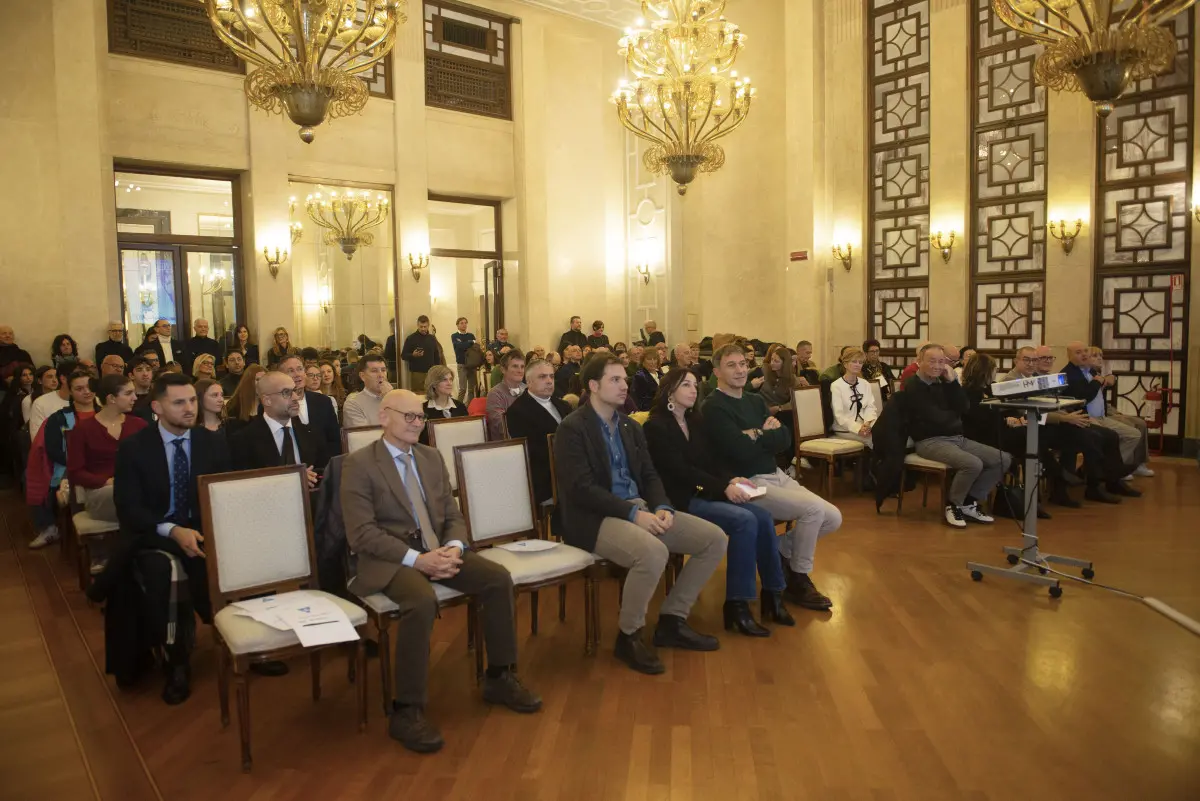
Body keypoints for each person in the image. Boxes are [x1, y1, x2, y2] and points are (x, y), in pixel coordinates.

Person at [341, 389, 541, 753]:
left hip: (439, 549)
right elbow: (361, 533)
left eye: (421, 417)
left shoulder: (431, 457)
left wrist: (454, 547)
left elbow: (452, 514)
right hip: (391, 559)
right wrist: (417, 560)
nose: (418, 424)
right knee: (419, 600)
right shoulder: (359, 464)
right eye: (409, 416)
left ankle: (499, 675)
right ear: (384, 417)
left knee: (497, 578)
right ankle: (407, 709)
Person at [554, 354, 725, 674]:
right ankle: (629, 635)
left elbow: (649, 475)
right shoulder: (572, 428)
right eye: (615, 380)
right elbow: (582, 489)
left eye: (625, 379)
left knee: (713, 539)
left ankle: (673, 620)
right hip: (594, 518)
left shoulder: (632, 427)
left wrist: (661, 506)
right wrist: (633, 515)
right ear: (593, 385)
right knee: (652, 552)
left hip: (640, 508)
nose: (624, 385)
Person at [95, 374, 231, 703]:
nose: (189, 409)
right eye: (179, 402)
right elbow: (128, 508)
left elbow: (225, 492)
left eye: (193, 401)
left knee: (238, 559)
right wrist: (172, 529)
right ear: (157, 407)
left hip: (202, 530)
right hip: (153, 533)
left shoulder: (211, 442)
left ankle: (244, 642)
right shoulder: (135, 448)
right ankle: (177, 661)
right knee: (165, 574)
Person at [643, 369, 792, 638]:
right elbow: (680, 471)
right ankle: (737, 605)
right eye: (685, 385)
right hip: (680, 499)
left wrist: (730, 478)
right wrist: (723, 486)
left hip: (704, 492)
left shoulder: (694, 421)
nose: (693, 390)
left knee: (761, 515)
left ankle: (774, 593)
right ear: (669, 392)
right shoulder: (656, 426)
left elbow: (710, 462)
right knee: (744, 520)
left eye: (694, 384)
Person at [703, 344, 842, 609]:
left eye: (743, 364)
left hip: (775, 474)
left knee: (833, 517)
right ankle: (798, 579)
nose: (741, 370)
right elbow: (737, 449)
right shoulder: (713, 406)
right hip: (746, 482)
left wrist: (754, 433)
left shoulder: (754, 400)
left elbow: (784, 440)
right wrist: (763, 432)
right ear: (717, 370)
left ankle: (776, 549)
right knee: (813, 509)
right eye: (732, 365)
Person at [902, 344, 1009, 527]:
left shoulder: (944, 382)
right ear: (919, 362)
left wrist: (952, 382)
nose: (937, 366)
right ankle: (953, 505)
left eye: (941, 361)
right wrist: (954, 416)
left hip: (956, 438)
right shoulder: (913, 385)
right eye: (932, 361)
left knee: (1002, 459)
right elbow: (933, 416)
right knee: (973, 463)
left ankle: (968, 501)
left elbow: (963, 407)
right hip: (929, 441)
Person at [67, 373, 147, 523]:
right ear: (111, 398)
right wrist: (106, 481)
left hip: (138, 488)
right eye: (129, 393)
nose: (135, 398)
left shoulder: (139, 425)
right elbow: (75, 472)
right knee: (126, 493)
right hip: (101, 492)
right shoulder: (83, 429)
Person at [1065, 343, 1152, 478]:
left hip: (1102, 415)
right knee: (1108, 437)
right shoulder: (1069, 374)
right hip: (1085, 417)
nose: (1084, 354)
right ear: (1069, 355)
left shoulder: (1091, 371)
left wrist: (1108, 378)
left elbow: (1107, 382)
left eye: (1085, 351)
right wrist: (1097, 382)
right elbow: (1083, 397)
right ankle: (1110, 470)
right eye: (1078, 352)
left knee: (1134, 433)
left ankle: (1115, 467)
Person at [230, 372, 325, 486]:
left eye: (295, 390)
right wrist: (294, 479)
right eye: (286, 393)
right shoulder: (243, 440)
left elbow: (322, 473)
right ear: (267, 400)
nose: (295, 397)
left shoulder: (311, 433)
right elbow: (245, 485)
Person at [504, 358, 570, 506]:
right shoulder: (518, 411)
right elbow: (531, 453)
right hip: (545, 479)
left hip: (571, 471)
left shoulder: (563, 405)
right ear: (529, 382)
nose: (549, 381)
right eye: (542, 377)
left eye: (551, 376)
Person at [277, 354, 338, 465]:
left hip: (323, 471)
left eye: (300, 369)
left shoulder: (323, 402)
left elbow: (334, 441)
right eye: (291, 371)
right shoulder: (276, 406)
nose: (297, 374)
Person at [829, 348, 878, 448]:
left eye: (860, 362)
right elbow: (839, 416)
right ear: (845, 364)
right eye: (854, 361)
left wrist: (867, 423)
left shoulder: (865, 384)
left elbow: (870, 407)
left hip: (865, 426)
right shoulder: (836, 386)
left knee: (887, 433)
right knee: (875, 439)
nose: (857, 365)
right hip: (844, 429)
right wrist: (858, 428)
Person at [419, 365, 467, 445]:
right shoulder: (422, 410)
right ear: (434, 384)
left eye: (451, 379)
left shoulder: (460, 407)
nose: (449, 383)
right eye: (444, 380)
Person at [342, 353, 393, 429]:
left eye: (383, 370)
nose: (381, 375)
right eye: (374, 371)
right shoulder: (353, 404)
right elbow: (366, 437)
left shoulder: (397, 397)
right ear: (362, 376)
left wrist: (392, 398)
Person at [28, 360, 76, 437]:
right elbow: (38, 439)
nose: (54, 380)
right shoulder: (38, 402)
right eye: (50, 377)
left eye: (55, 377)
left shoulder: (92, 399)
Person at [485, 350, 526, 440]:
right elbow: (502, 426)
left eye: (522, 367)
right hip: (507, 445)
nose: (520, 370)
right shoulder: (495, 394)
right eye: (515, 366)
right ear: (503, 369)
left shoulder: (528, 390)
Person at [400, 315, 443, 393]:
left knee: (432, 395)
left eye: (425, 327)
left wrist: (438, 371)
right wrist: (413, 355)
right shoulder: (411, 338)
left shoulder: (432, 338)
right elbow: (403, 355)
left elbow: (436, 356)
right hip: (417, 374)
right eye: (421, 326)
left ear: (428, 326)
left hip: (431, 373)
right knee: (418, 396)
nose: (423, 329)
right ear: (417, 325)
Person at [223, 364, 266, 435]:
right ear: (248, 382)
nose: (262, 383)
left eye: (264, 379)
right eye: (257, 379)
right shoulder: (234, 405)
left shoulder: (269, 403)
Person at [757, 344, 795, 421]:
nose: (772, 363)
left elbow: (795, 402)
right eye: (771, 359)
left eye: (776, 361)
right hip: (759, 409)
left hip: (778, 414)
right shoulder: (764, 369)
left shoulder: (793, 379)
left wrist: (779, 408)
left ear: (785, 363)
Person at [450, 317, 478, 403]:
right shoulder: (454, 336)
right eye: (461, 323)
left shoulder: (471, 335)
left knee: (471, 388)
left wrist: (466, 343)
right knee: (462, 388)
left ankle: (470, 407)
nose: (464, 325)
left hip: (472, 364)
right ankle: (459, 406)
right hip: (461, 364)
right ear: (457, 325)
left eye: (465, 323)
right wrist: (471, 342)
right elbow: (459, 346)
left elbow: (475, 348)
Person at [127, 356, 157, 424]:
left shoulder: (159, 396)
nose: (145, 374)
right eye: (139, 370)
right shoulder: (127, 400)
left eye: (148, 369)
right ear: (131, 375)